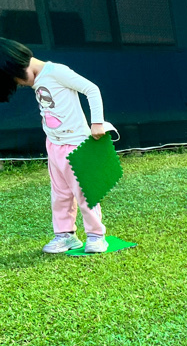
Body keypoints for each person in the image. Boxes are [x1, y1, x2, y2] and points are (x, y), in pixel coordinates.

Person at [0, 38, 114, 254]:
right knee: (60, 194)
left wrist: (97, 122)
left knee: (85, 193)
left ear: (16, 64)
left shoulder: (56, 72)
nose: (20, 83)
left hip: (77, 144)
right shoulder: (37, 80)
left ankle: (96, 236)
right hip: (54, 145)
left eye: (17, 78)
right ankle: (65, 236)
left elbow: (92, 89)